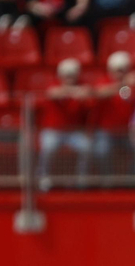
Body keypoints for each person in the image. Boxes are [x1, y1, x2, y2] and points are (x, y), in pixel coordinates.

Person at [37, 57, 93, 185]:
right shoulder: (54, 84)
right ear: (60, 75)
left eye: (72, 75)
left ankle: (81, 179)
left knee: (87, 147)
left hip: (73, 132)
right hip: (53, 131)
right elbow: (53, 93)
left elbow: (90, 98)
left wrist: (85, 95)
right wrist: (72, 91)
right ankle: (43, 178)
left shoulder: (82, 86)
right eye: (66, 75)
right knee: (48, 147)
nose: (69, 78)